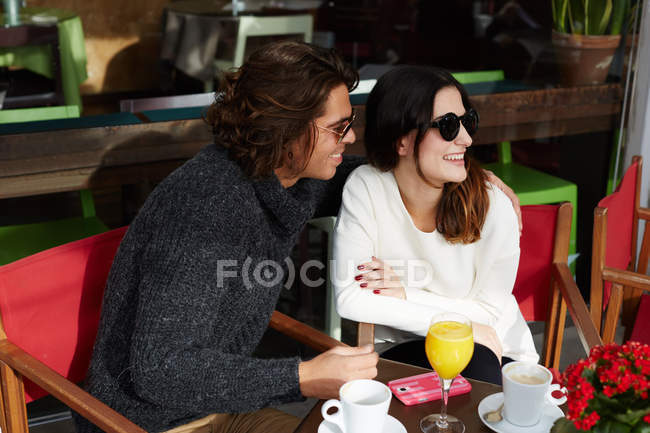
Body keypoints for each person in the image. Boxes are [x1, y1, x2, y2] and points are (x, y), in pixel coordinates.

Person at [75, 41, 379, 433]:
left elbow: (364, 181)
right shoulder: (205, 207)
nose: (350, 138)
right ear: (285, 132)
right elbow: (160, 369)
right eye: (339, 127)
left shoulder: (282, 178)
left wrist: (461, 181)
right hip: (147, 423)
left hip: (219, 408)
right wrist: (301, 377)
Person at [333, 65, 538, 385]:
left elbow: (490, 316)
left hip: (497, 349)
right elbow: (350, 299)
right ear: (401, 141)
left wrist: (403, 294)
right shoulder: (367, 187)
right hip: (403, 350)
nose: (466, 139)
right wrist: (463, 321)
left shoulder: (494, 207)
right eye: (447, 126)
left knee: (476, 368)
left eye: (467, 121)